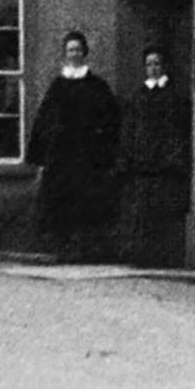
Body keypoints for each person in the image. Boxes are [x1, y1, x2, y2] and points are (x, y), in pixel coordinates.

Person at [24, 31, 122, 258]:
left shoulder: (98, 86)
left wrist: (103, 151)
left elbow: (111, 121)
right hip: (61, 161)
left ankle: (85, 249)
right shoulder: (57, 87)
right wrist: (41, 158)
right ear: (65, 54)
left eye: (78, 49)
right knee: (60, 203)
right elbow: (43, 123)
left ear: (85, 53)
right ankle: (61, 247)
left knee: (88, 204)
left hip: (88, 160)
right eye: (70, 50)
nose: (74, 54)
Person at [118, 48, 190, 267]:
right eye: (149, 64)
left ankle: (165, 257)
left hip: (166, 166)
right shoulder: (138, 96)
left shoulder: (174, 96)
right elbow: (129, 129)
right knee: (143, 213)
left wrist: (172, 157)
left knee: (164, 212)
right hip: (143, 164)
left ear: (164, 66)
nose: (153, 68)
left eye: (157, 63)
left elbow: (179, 130)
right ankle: (143, 256)